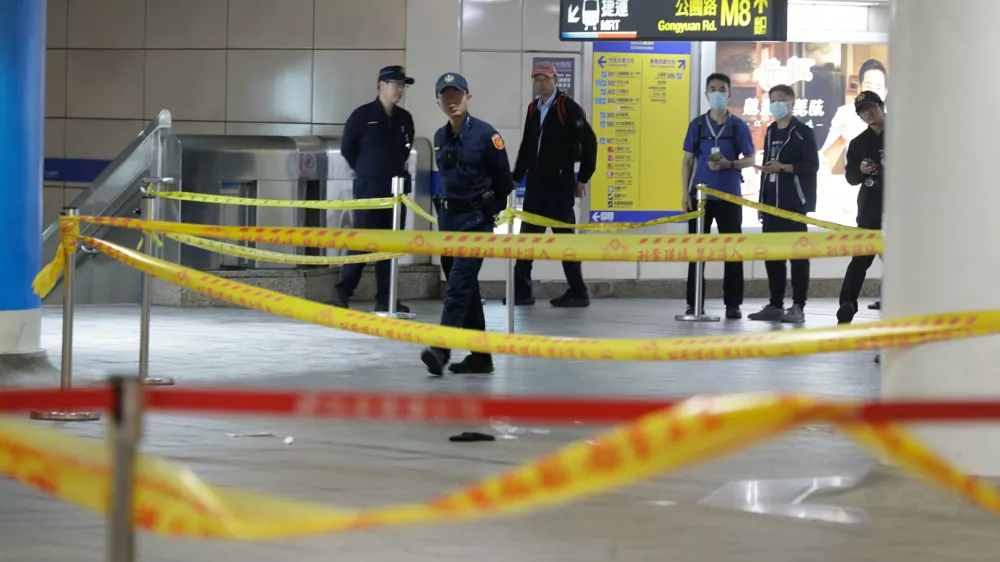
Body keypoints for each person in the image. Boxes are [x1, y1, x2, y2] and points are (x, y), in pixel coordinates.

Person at [421, 73, 513, 376]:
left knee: (458, 287)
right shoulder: (439, 137)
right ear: (438, 101)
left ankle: (441, 350)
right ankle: (481, 356)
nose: (452, 101)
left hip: (475, 223)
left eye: (457, 94)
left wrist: (489, 211)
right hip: (448, 222)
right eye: (445, 96)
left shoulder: (487, 135)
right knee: (466, 288)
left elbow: (504, 181)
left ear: (468, 97)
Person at [510, 61, 598, 308]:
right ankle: (522, 292)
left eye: (546, 78)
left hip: (559, 186)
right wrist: (516, 177)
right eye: (537, 79)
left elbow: (590, 143)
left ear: (556, 80)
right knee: (526, 241)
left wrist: (583, 178)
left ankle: (578, 292)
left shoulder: (566, 107)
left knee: (565, 243)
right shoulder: (533, 108)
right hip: (535, 187)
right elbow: (527, 146)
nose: (541, 83)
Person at [333, 65, 415, 313]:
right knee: (361, 243)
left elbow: (405, 150)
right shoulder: (362, 115)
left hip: (396, 191)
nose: (400, 90)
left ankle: (386, 298)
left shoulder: (404, 119)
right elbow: (348, 149)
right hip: (369, 189)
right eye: (396, 84)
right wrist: (367, 170)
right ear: (381, 85)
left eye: (403, 86)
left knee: (390, 246)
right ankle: (342, 292)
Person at [681, 72, 756, 319]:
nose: (717, 93)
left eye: (721, 89)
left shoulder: (738, 126)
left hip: (729, 197)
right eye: (712, 89)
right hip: (700, 197)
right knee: (696, 252)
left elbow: (751, 159)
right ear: (706, 94)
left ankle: (733, 304)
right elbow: (687, 160)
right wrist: (685, 193)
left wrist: (730, 164)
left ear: (729, 94)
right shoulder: (697, 125)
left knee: (732, 252)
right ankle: (694, 304)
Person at [747, 84, 820, 324]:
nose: (776, 104)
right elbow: (770, 166)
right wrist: (762, 201)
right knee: (773, 256)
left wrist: (783, 168)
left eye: (781, 99)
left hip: (794, 204)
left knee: (798, 257)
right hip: (771, 204)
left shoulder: (802, 131)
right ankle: (775, 305)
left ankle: (798, 306)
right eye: (773, 100)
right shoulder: (770, 131)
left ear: (791, 103)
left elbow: (812, 166)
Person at [836, 90, 886, 325]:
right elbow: (851, 178)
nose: (867, 114)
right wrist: (860, 170)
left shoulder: (903, 134)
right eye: (862, 111)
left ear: (880, 106)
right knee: (860, 261)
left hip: (900, 211)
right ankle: (846, 305)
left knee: (902, 262)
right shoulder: (858, 143)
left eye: (870, 108)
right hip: (870, 210)